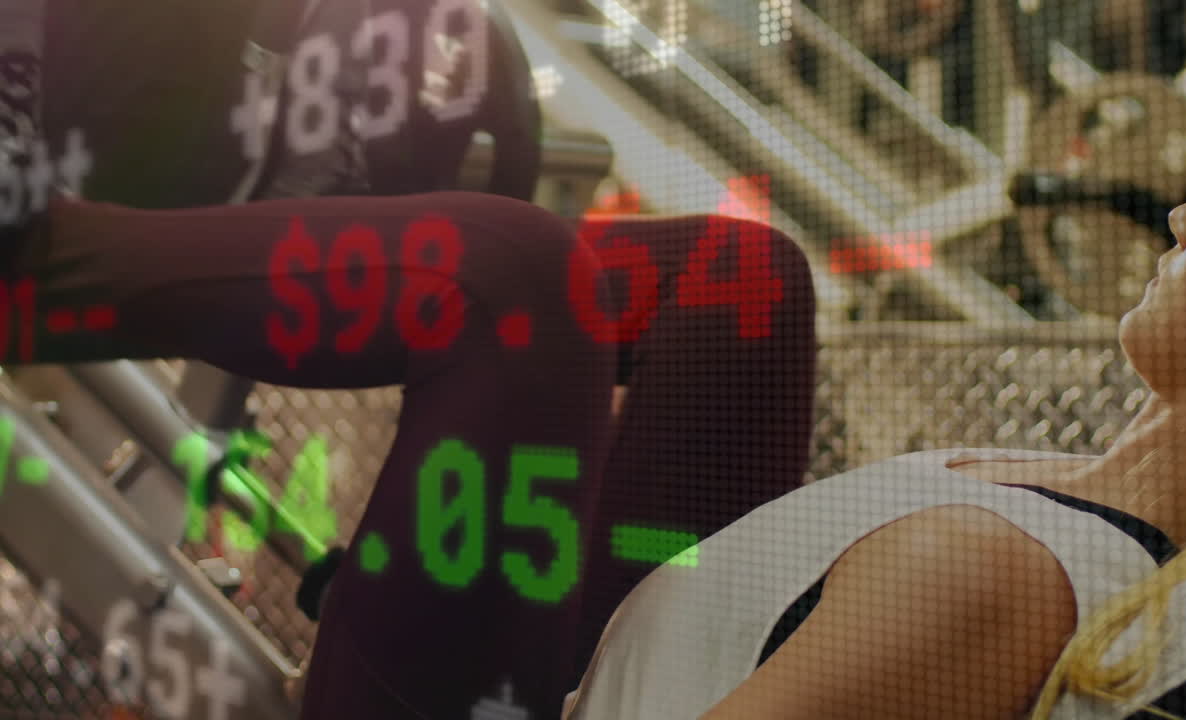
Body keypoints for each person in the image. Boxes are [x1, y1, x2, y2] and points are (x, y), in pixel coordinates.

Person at [1, 2, 818, 717]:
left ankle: (621, 692)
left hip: (156, 195)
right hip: (23, 229)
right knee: (514, 282)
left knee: (739, 278)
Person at [564, 140, 1186, 719]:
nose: (1183, 217)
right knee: (744, 272)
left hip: (549, 682)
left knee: (679, 265)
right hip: (619, 627)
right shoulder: (1024, 508)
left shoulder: (986, 573)